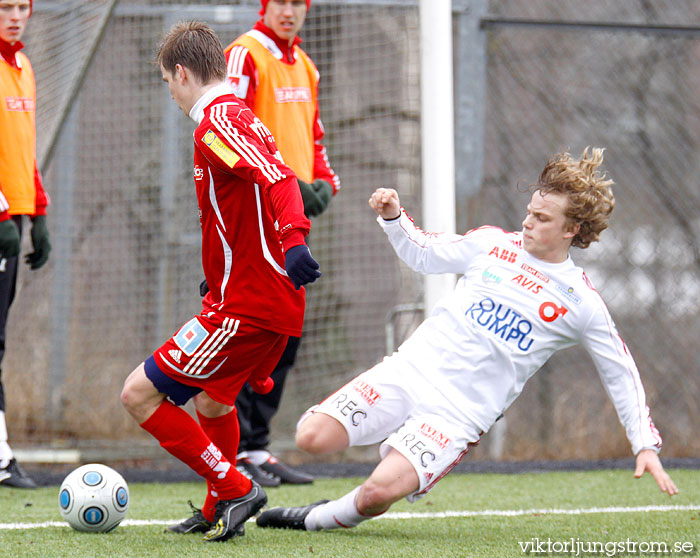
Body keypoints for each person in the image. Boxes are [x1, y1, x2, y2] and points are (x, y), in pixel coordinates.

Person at [256, 147, 679, 532]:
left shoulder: (581, 302)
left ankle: (316, 518)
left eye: (543, 219)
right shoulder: (492, 245)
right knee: (312, 436)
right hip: (409, 372)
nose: (528, 222)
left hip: (456, 415)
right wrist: (393, 218)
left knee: (374, 496)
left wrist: (644, 444)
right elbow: (423, 253)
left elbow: (621, 373)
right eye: (530, 212)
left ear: (573, 230)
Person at [120, 20, 321, 542]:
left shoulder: (217, 123)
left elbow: (276, 179)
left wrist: (296, 240)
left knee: (138, 395)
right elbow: (241, 212)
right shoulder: (234, 116)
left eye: (167, 80)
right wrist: (216, 280)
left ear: (181, 73)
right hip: (258, 300)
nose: (168, 91)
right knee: (214, 402)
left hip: (249, 306)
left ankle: (235, 486)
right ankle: (217, 505)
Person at [222, 0, 339, 487]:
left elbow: (312, 136)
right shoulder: (244, 55)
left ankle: (257, 446)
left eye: (298, 3)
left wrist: (325, 181)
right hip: (254, 219)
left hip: (292, 221)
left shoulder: (305, 64)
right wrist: (284, 182)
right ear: (264, 7)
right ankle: (232, 449)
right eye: (281, 2)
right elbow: (229, 131)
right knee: (249, 327)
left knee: (286, 334)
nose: (290, 11)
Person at [0, 0, 50, 490]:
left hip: (13, 220)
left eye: (22, 6)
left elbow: (23, 147)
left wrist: (39, 213)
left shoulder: (23, 65)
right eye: (5, 6)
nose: (15, 15)